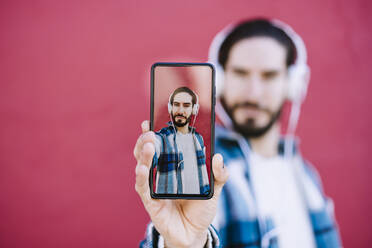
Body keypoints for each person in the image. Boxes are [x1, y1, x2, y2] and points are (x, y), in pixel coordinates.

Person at [134, 18, 342, 247]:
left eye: (269, 76)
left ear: (292, 84)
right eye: (241, 74)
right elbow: (186, 236)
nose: (253, 93)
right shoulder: (205, 165)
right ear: (220, 81)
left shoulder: (305, 173)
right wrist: (179, 243)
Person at [152, 86, 210, 195]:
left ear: (194, 109)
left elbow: (203, 175)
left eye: (186, 106)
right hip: (169, 204)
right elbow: (153, 148)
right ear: (170, 108)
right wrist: (147, 150)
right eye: (176, 105)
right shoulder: (162, 138)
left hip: (198, 203)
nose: (180, 110)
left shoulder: (198, 139)